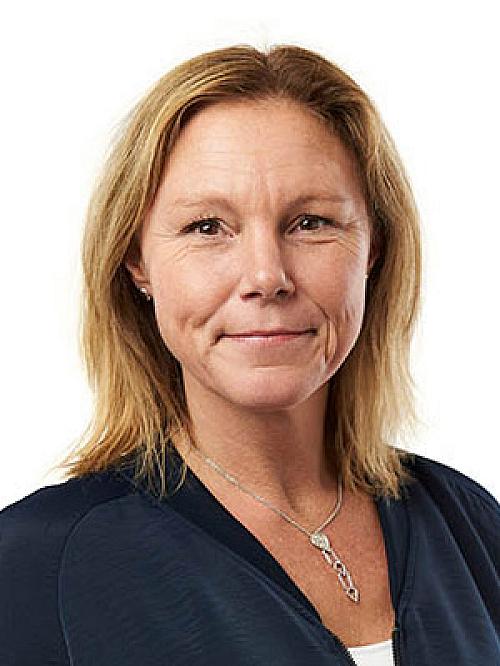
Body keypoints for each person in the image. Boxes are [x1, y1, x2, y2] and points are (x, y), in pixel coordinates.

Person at [0, 44, 498, 666]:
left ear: (373, 249)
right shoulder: (36, 565)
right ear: (136, 261)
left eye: (311, 222)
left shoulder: (468, 526)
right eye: (207, 227)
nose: (266, 275)